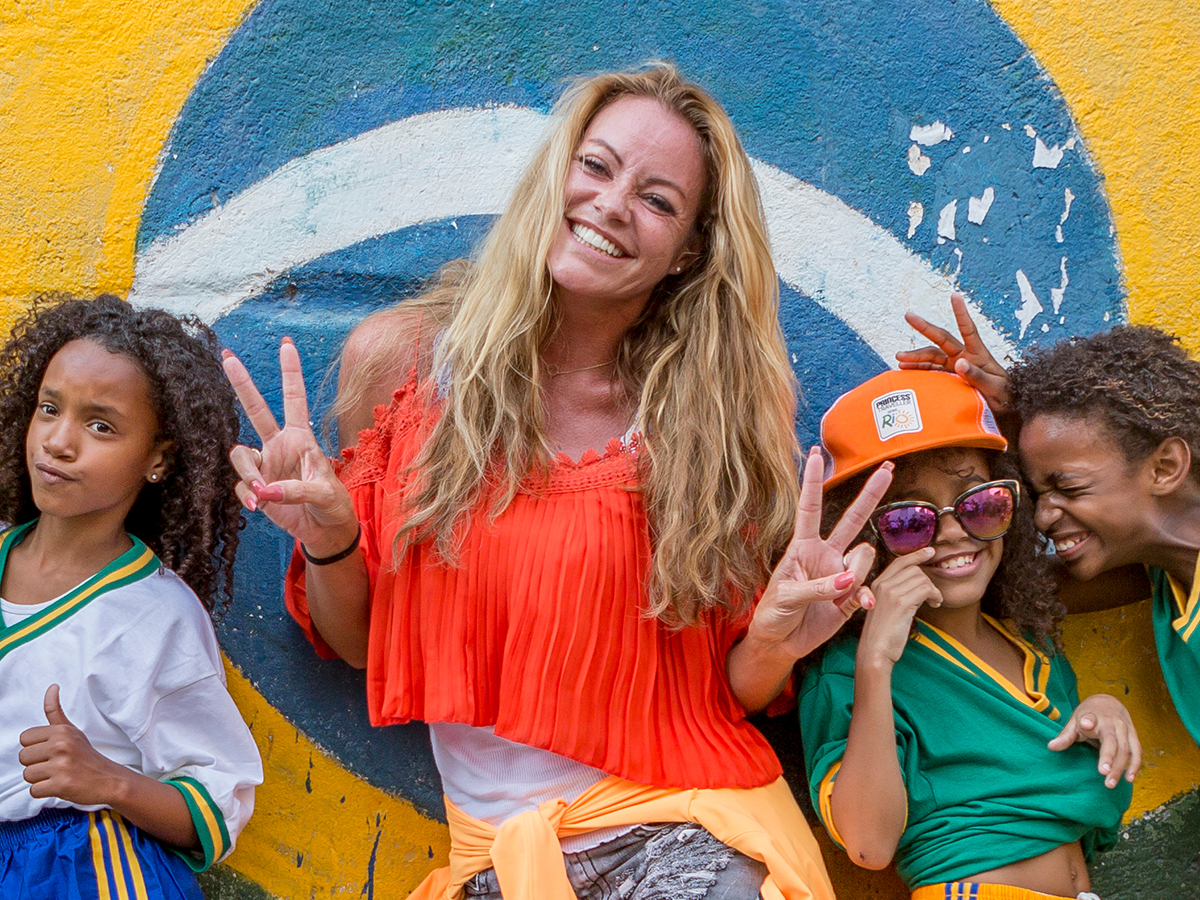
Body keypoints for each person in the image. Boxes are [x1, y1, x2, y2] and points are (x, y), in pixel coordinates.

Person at [223, 63, 892, 900]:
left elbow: (731, 691)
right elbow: (363, 647)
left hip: (688, 820)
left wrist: (777, 643)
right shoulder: (406, 365)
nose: (611, 204)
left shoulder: (716, 416)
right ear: (556, 172)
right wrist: (331, 540)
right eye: (596, 166)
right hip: (501, 858)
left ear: (688, 251)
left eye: (657, 200)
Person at [800, 368, 1138, 900]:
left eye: (980, 504)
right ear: (863, 537)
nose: (954, 531)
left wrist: (1102, 710)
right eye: (910, 521)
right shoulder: (846, 670)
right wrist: (875, 662)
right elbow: (869, 844)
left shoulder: (1031, 642)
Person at [0, 296, 262, 900]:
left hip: (80, 868)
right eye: (48, 409)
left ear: (157, 458)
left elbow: (218, 804)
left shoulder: (155, 616)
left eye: (101, 426)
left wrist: (108, 780)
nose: (58, 442)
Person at [899, 295, 1200, 746]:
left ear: (1164, 468)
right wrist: (1013, 423)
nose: (1042, 517)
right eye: (1037, 493)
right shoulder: (1167, 572)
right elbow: (993, 592)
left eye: (1069, 487)